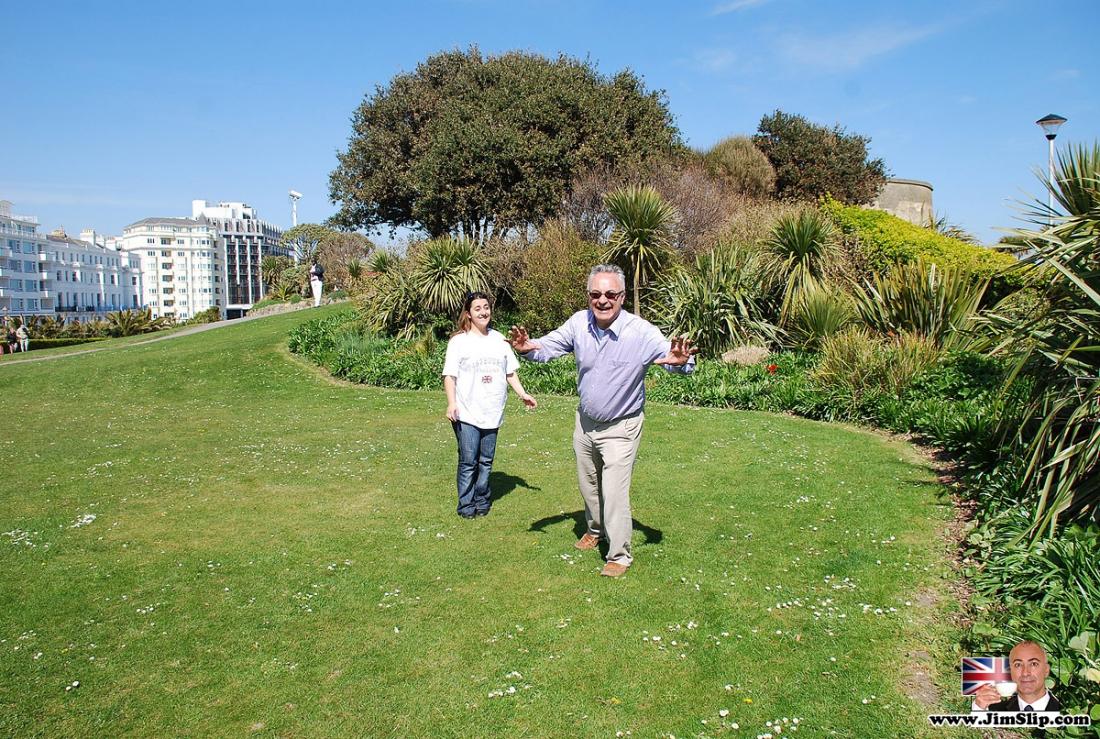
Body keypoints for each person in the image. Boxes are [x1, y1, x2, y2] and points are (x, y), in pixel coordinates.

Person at [509, 264, 696, 577]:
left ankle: (619, 555)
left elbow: (673, 357)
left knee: (614, 492)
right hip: (585, 423)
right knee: (589, 485)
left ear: (622, 296)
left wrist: (681, 362)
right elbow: (547, 346)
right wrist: (528, 348)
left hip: (622, 427)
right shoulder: (579, 323)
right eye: (595, 294)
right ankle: (595, 529)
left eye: (610, 294)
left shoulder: (640, 332)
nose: (603, 300)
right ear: (588, 296)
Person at [443, 291, 536, 519]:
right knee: (469, 461)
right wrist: (451, 403)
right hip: (467, 412)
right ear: (468, 314)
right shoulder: (459, 341)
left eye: (486, 307)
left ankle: (482, 500)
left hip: (492, 411)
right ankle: (466, 505)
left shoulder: (499, 339)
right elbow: (449, 375)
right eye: (477, 308)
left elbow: (509, 372)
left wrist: (522, 394)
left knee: (485, 461)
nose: (483, 312)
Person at [973, 641, 1062, 712]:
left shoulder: (1064, 711)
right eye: (1018, 665)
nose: (1025, 673)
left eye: (1034, 664)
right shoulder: (994, 710)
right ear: (1010, 672)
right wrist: (979, 708)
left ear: (1046, 670)